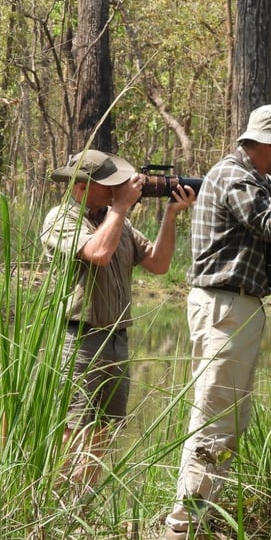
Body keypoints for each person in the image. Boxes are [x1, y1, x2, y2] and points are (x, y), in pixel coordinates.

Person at [160, 104, 271, 540]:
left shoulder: (253, 178)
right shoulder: (234, 177)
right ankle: (182, 531)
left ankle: (196, 522)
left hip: (233, 309)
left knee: (226, 420)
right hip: (225, 308)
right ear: (269, 143)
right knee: (215, 421)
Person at [41, 149, 196, 486]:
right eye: (108, 186)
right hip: (79, 339)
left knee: (103, 431)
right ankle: (56, 506)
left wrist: (171, 214)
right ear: (81, 187)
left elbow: (158, 263)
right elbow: (97, 252)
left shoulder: (117, 220)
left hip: (116, 339)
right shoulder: (61, 218)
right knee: (75, 429)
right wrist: (122, 206)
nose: (116, 191)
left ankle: (80, 505)